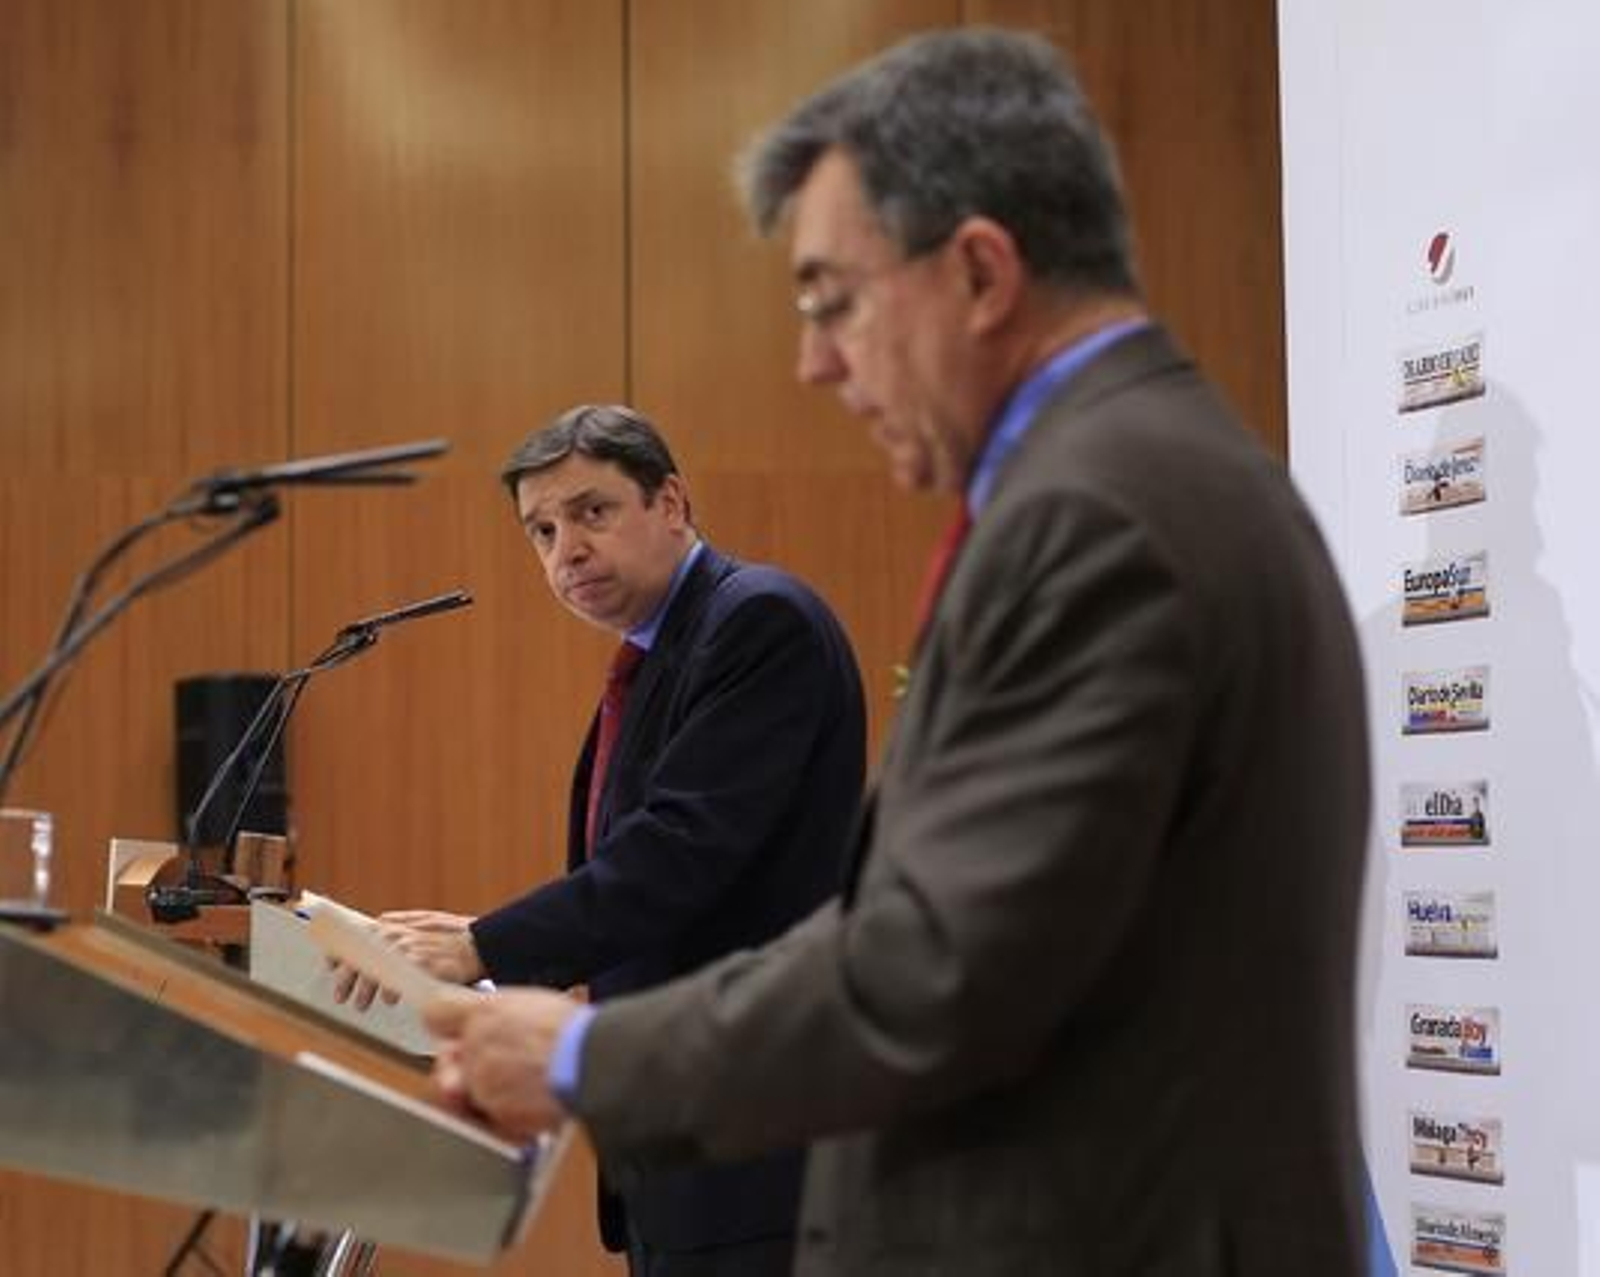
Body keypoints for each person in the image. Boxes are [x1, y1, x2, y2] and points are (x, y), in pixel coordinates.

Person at [423, 30, 1371, 1277]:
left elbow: (929, 969)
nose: (817, 361)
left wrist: (579, 1056)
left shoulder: (1100, 518)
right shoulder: (1145, 470)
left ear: (980, 271)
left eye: (833, 301)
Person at [350, 403, 867, 1276]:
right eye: (542, 530)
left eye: (592, 512)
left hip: (760, 1146)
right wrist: (481, 942)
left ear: (671, 501)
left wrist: (483, 944)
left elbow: (679, 850)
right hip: (678, 1151)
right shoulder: (659, 653)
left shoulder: (757, 621)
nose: (566, 551)